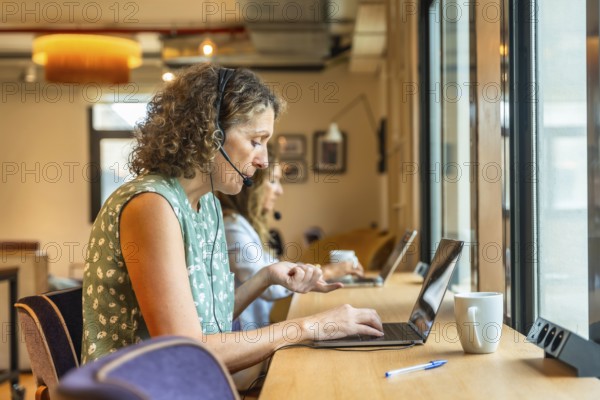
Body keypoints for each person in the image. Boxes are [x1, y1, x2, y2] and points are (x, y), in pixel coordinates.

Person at [81, 63, 383, 373]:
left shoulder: (207, 204)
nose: (264, 160)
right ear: (208, 134)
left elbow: (211, 323)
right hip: (138, 388)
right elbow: (187, 352)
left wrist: (265, 277)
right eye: (256, 141)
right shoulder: (152, 206)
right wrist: (309, 326)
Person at [219, 148, 365, 331]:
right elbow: (269, 285)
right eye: (273, 181)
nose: (279, 190)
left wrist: (318, 272)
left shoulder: (243, 226)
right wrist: (325, 272)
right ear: (250, 185)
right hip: (245, 332)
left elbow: (274, 269)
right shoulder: (232, 226)